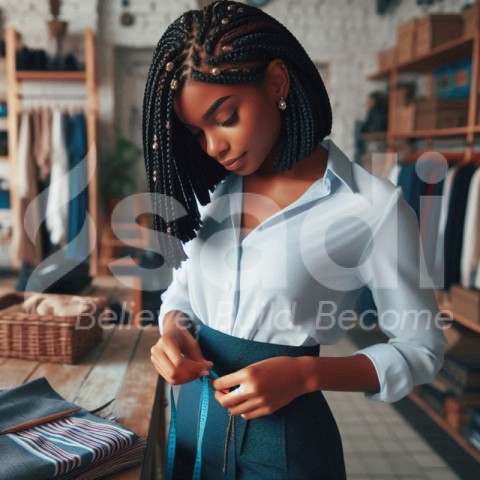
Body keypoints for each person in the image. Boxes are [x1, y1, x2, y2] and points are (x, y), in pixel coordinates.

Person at [143, 1, 447, 478]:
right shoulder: (211, 189)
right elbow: (181, 292)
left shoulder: (370, 207)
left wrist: (305, 375)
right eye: (196, 132)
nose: (213, 146)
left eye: (225, 118)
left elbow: (422, 348)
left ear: (278, 83)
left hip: (285, 448)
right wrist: (173, 332)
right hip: (193, 429)